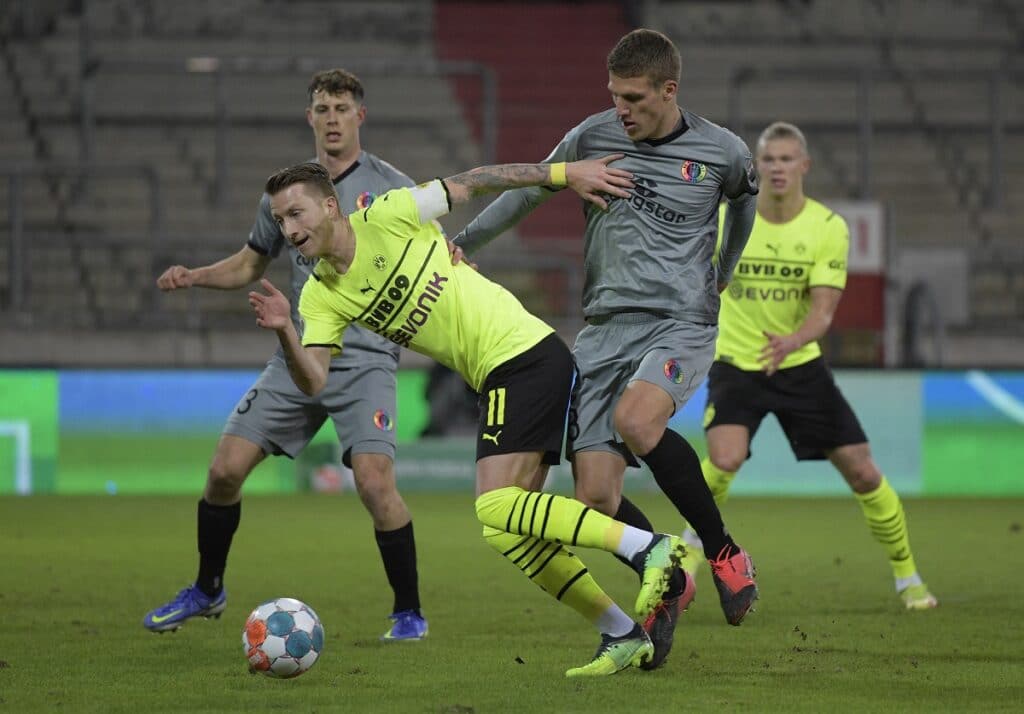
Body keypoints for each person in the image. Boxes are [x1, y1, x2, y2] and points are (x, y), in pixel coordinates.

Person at [248, 159, 686, 677]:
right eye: (280, 221)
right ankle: (620, 632)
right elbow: (315, 380)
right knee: (508, 529)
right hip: (495, 374)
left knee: (494, 504)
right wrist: (284, 331)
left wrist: (566, 173)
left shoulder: (390, 213)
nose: (290, 230)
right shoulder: (321, 294)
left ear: (328, 205)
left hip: (522, 354)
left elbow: (477, 181)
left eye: (296, 213)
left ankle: (650, 548)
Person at [453, 28, 760, 667]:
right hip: (603, 329)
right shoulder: (591, 137)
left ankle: (724, 550)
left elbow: (744, 203)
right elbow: (527, 192)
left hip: (681, 320)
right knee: (594, 494)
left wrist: (723, 268)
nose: (621, 108)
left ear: (668, 91)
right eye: (615, 95)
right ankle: (670, 579)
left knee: (636, 419)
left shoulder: (722, 151)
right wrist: (464, 246)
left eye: (634, 97)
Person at [143, 69, 430, 640]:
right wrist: (195, 275)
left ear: (359, 117)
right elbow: (252, 262)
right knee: (223, 471)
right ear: (310, 118)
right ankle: (208, 589)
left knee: (375, 484)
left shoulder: (396, 188)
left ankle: (408, 611)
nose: (331, 117)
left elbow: (432, 257)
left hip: (366, 358)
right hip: (298, 355)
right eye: (321, 108)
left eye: (341, 107)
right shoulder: (286, 196)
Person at [679, 121, 938, 611]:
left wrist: (793, 340)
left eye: (786, 159)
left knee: (863, 472)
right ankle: (690, 557)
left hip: (800, 365)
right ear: (757, 167)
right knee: (724, 459)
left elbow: (823, 311)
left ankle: (910, 579)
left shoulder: (826, 227)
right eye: (769, 160)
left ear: (804, 166)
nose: (777, 168)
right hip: (737, 363)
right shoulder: (724, 220)